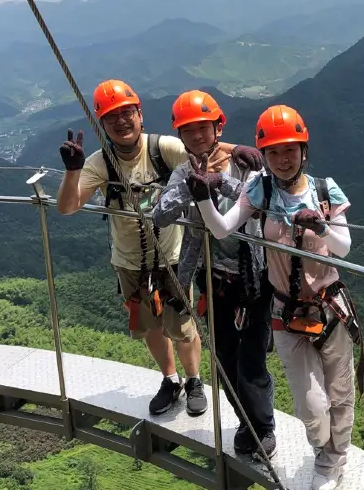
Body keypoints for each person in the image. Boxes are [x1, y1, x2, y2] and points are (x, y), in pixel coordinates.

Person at [186, 105, 363, 490]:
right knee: (310, 405)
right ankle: (322, 450)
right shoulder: (259, 190)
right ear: (264, 156)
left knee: (340, 393)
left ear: (303, 151)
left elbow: (345, 247)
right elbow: (221, 230)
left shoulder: (324, 191)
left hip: (330, 306)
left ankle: (334, 461)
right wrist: (203, 199)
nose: (283, 160)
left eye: (290, 150)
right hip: (284, 310)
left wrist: (321, 226)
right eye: (274, 153)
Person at [55, 79, 258, 417]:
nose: (121, 122)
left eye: (127, 113)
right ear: (101, 124)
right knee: (148, 325)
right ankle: (170, 379)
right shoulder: (100, 163)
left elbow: (203, 149)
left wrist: (235, 150)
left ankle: (194, 380)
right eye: (111, 117)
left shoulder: (161, 149)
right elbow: (67, 206)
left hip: (173, 256)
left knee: (182, 325)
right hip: (130, 261)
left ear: (140, 114)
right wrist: (72, 172)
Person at [151, 89, 277, 461]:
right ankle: (244, 423)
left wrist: (220, 181)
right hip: (214, 280)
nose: (195, 137)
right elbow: (160, 214)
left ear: (217, 128)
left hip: (252, 278)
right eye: (187, 131)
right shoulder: (182, 171)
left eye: (202, 128)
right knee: (224, 358)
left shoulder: (245, 161)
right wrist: (192, 188)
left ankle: (264, 428)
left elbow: (261, 203)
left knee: (251, 360)